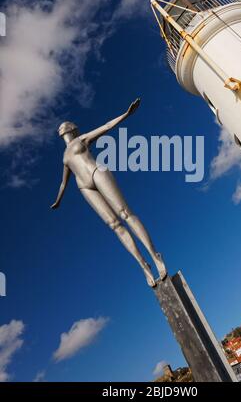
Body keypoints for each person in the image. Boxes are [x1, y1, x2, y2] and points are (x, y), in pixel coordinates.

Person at [51, 98, 167, 287]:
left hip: (97, 172)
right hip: (84, 187)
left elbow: (106, 127)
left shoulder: (82, 139)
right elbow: (63, 183)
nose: (63, 129)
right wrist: (58, 201)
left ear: (72, 129)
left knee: (125, 214)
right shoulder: (64, 157)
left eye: (66, 127)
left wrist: (126, 114)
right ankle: (144, 266)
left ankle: (155, 256)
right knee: (114, 225)